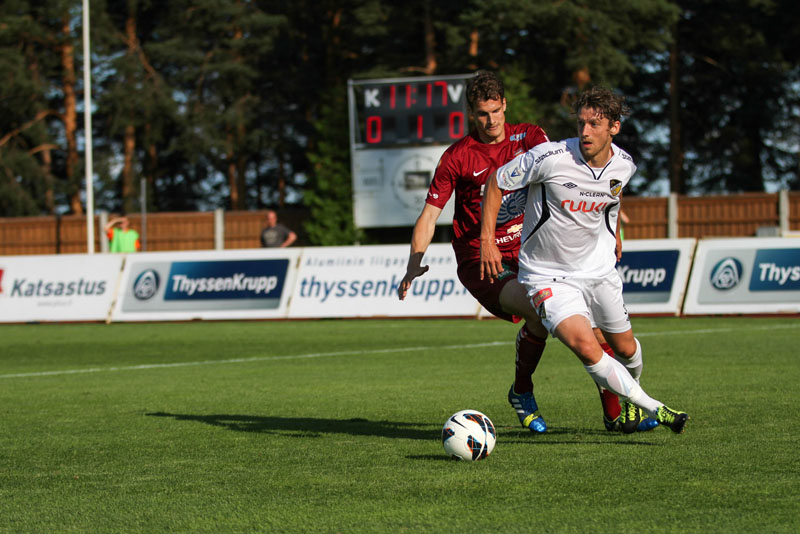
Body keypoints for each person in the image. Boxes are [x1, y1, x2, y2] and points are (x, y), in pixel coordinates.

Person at [398, 70, 624, 434]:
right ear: (472, 113)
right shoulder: (457, 157)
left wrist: (610, 226)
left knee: (570, 325)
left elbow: (573, 176)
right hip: (481, 261)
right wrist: (413, 264)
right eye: (482, 114)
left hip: (533, 254)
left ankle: (557, 400)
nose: (490, 121)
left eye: (495, 111)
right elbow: (429, 215)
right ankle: (603, 410)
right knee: (552, 314)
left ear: (505, 105)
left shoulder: (531, 137)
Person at [480, 85, 689, 434]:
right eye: (581, 124)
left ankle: (622, 410)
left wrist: (616, 236)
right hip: (546, 275)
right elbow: (496, 181)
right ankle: (657, 408)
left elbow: (612, 202)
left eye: (595, 124)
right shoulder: (548, 157)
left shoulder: (624, 166)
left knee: (626, 348)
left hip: (598, 271)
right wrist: (487, 239)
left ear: (614, 128)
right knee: (587, 346)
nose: (585, 132)